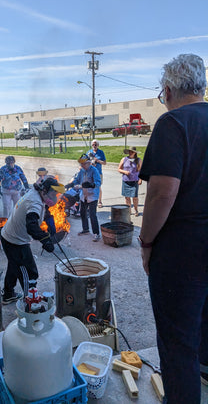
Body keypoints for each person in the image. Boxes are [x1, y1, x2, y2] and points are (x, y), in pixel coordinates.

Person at [139, 54, 208, 403]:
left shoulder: (173, 123)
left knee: (178, 343)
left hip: (183, 251)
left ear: (167, 90)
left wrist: (146, 242)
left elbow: (162, 194)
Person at [0, 177, 65, 304]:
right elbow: (32, 226)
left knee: (14, 266)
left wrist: (49, 221)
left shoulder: (36, 191)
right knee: (30, 273)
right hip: (15, 241)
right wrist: (45, 240)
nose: (54, 197)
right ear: (45, 191)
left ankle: (8, 294)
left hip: (8, 236)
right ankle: (30, 302)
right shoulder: (34, 202)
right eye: (53, 194)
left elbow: (42, 209)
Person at [71, 154, 101, 242]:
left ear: (88, 163)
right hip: (83, 195)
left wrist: (91, 185)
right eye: (81, 164)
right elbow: (77, 180)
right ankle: (85, 229)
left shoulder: (94, 170)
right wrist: (72, 183)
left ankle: (96, 233)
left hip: (92, 196)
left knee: (92, 215)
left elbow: (98, 182)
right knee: (83, 213)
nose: (82, 166)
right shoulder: (82, 171)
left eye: (83, 164)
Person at [118, 146, 142, 217]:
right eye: (130, 151)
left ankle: (136, 209)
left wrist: (140, 179)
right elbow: (119, 169)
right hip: (126, 181)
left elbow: (141, 171)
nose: (130, 153)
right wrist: (124, 172)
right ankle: (129, 210)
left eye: (132, 152)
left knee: (135, 197)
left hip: (134, 181)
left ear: (135, 153)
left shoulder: (138, 160)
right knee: (127, 197)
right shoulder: (124, 159)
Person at [86, 139, 106, 208]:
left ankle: (99, 201)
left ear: (98, 145)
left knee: (98, 187)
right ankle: (90, 201)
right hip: (90, 173)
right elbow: (85, 162)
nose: (94, 146)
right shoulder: (89, 152)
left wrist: (97, 160)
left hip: (98, 173)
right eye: (93, 144)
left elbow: (105, 163)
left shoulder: (101, 152)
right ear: (91, 145)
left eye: (95, 144)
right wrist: (90, 164)